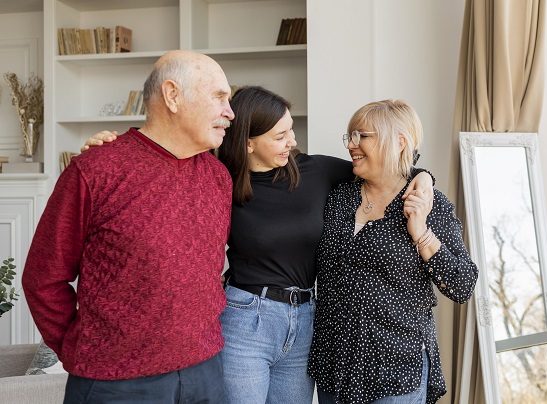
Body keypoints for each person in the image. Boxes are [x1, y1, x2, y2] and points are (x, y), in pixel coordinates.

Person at [82, 86, 435, 404]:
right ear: (249, 141)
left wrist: (425, 179)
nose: (292, 142)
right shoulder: (215, 180)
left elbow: (389, 170)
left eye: (291, 131)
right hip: (245, 320)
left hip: (305, 321)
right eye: (280, 136)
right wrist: (107, 151)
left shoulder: (316, 172)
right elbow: (155, 171)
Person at [22, 50, 235, 403]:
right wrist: (80, 348)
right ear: (172, 96)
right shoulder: (95, 171)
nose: (230, 111)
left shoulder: (217, 176)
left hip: (206, 373)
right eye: (219, 97)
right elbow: (43, 278)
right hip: (115, 383)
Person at [308, 99, 478, 404]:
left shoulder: (430, 203)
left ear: (400, 142)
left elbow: (462, 285)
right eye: (350, 137)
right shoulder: (337, 196)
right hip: (335, 365)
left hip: (396, 369)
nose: (352, 145)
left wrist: (421, 234)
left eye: (363, 136)